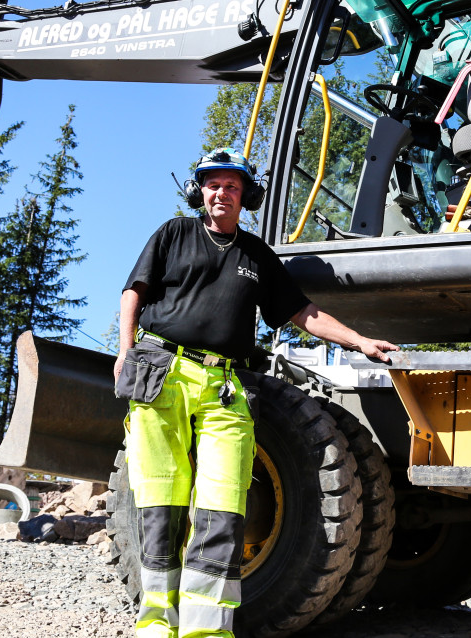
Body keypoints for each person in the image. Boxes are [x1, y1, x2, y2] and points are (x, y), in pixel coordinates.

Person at [113, 147, 398, 638]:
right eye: (213, 185)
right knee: (159, 503)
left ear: (245, 196)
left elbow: (302, 313)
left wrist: (360, 340)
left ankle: (207, 632)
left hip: (227, 387)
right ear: (200, 192)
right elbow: (134, 291)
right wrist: (125, 350)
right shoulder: (174, 233)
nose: (222, 193)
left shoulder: (256, 255)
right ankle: (157, 627)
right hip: (162, 373)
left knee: (223, 507)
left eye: (232, 187)